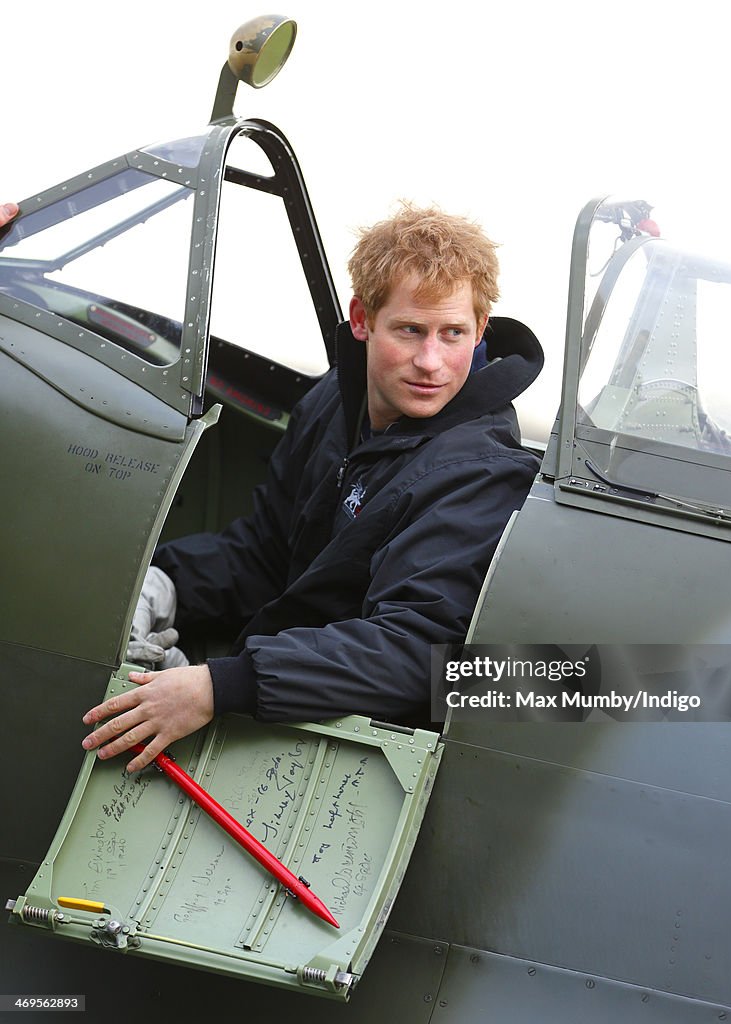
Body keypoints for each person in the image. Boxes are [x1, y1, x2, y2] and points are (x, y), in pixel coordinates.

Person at [6, 200, 543, 771]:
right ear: (362, 320)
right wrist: (163, 583)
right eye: (409, 331)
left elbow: (417, 653)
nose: (431, 362)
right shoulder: (337, 402)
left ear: (481, 329)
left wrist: (220, 686)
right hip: (279, 674)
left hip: (356, 737)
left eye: (453, 334)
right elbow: (266, 556)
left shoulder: (478, 472)